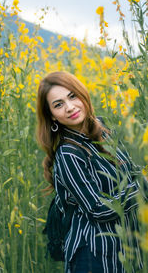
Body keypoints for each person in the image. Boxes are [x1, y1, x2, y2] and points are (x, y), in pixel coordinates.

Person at [36, 71, 143, 273]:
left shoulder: (103, 129)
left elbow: (130, 173)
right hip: (95, 256)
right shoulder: (69, 154)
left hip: (127, 249)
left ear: (82, 94)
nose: (70, 108)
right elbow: (97, 209)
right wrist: (139, 188)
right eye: (58, 105)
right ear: (52, 115)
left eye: (72, 96)